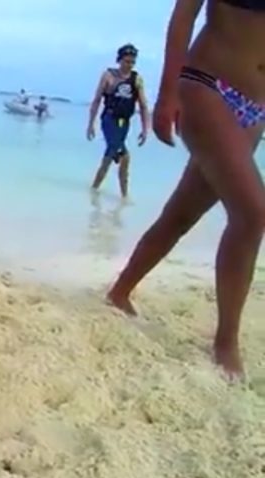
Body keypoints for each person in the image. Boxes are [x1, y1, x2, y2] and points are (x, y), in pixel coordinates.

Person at [106, 0, 265, 380]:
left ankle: (120, 292)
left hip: (257, 107)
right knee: (253, 212)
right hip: (207, 86)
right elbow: (184, 15)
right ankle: (226, 342)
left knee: (181, 214)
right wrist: (167, 94)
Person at [86, 44, 150, 198]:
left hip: (124, 123)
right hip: (109, 120)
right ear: (119, 60)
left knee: (109, 157)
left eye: (132, 62)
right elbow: (96, 100)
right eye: (126, 61)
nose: (129, 65)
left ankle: (94, 190)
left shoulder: (137, 79)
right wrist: (91, 124)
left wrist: (145, 129)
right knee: (125, 157)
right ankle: (125, 196)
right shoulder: (108, 76)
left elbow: (143, 105)